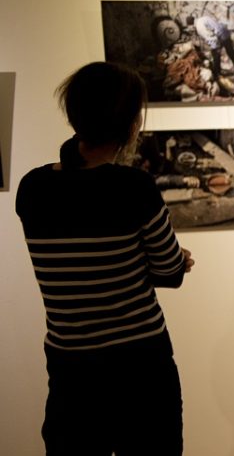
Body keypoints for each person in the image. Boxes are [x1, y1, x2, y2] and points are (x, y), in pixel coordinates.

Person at [16, 62, 195, 455]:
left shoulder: (33, 188)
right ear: (130, 124)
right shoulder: (132, 187)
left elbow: (73, 261)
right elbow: (168, 270)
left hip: (71, 368)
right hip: (140, 367)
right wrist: (174, 259)